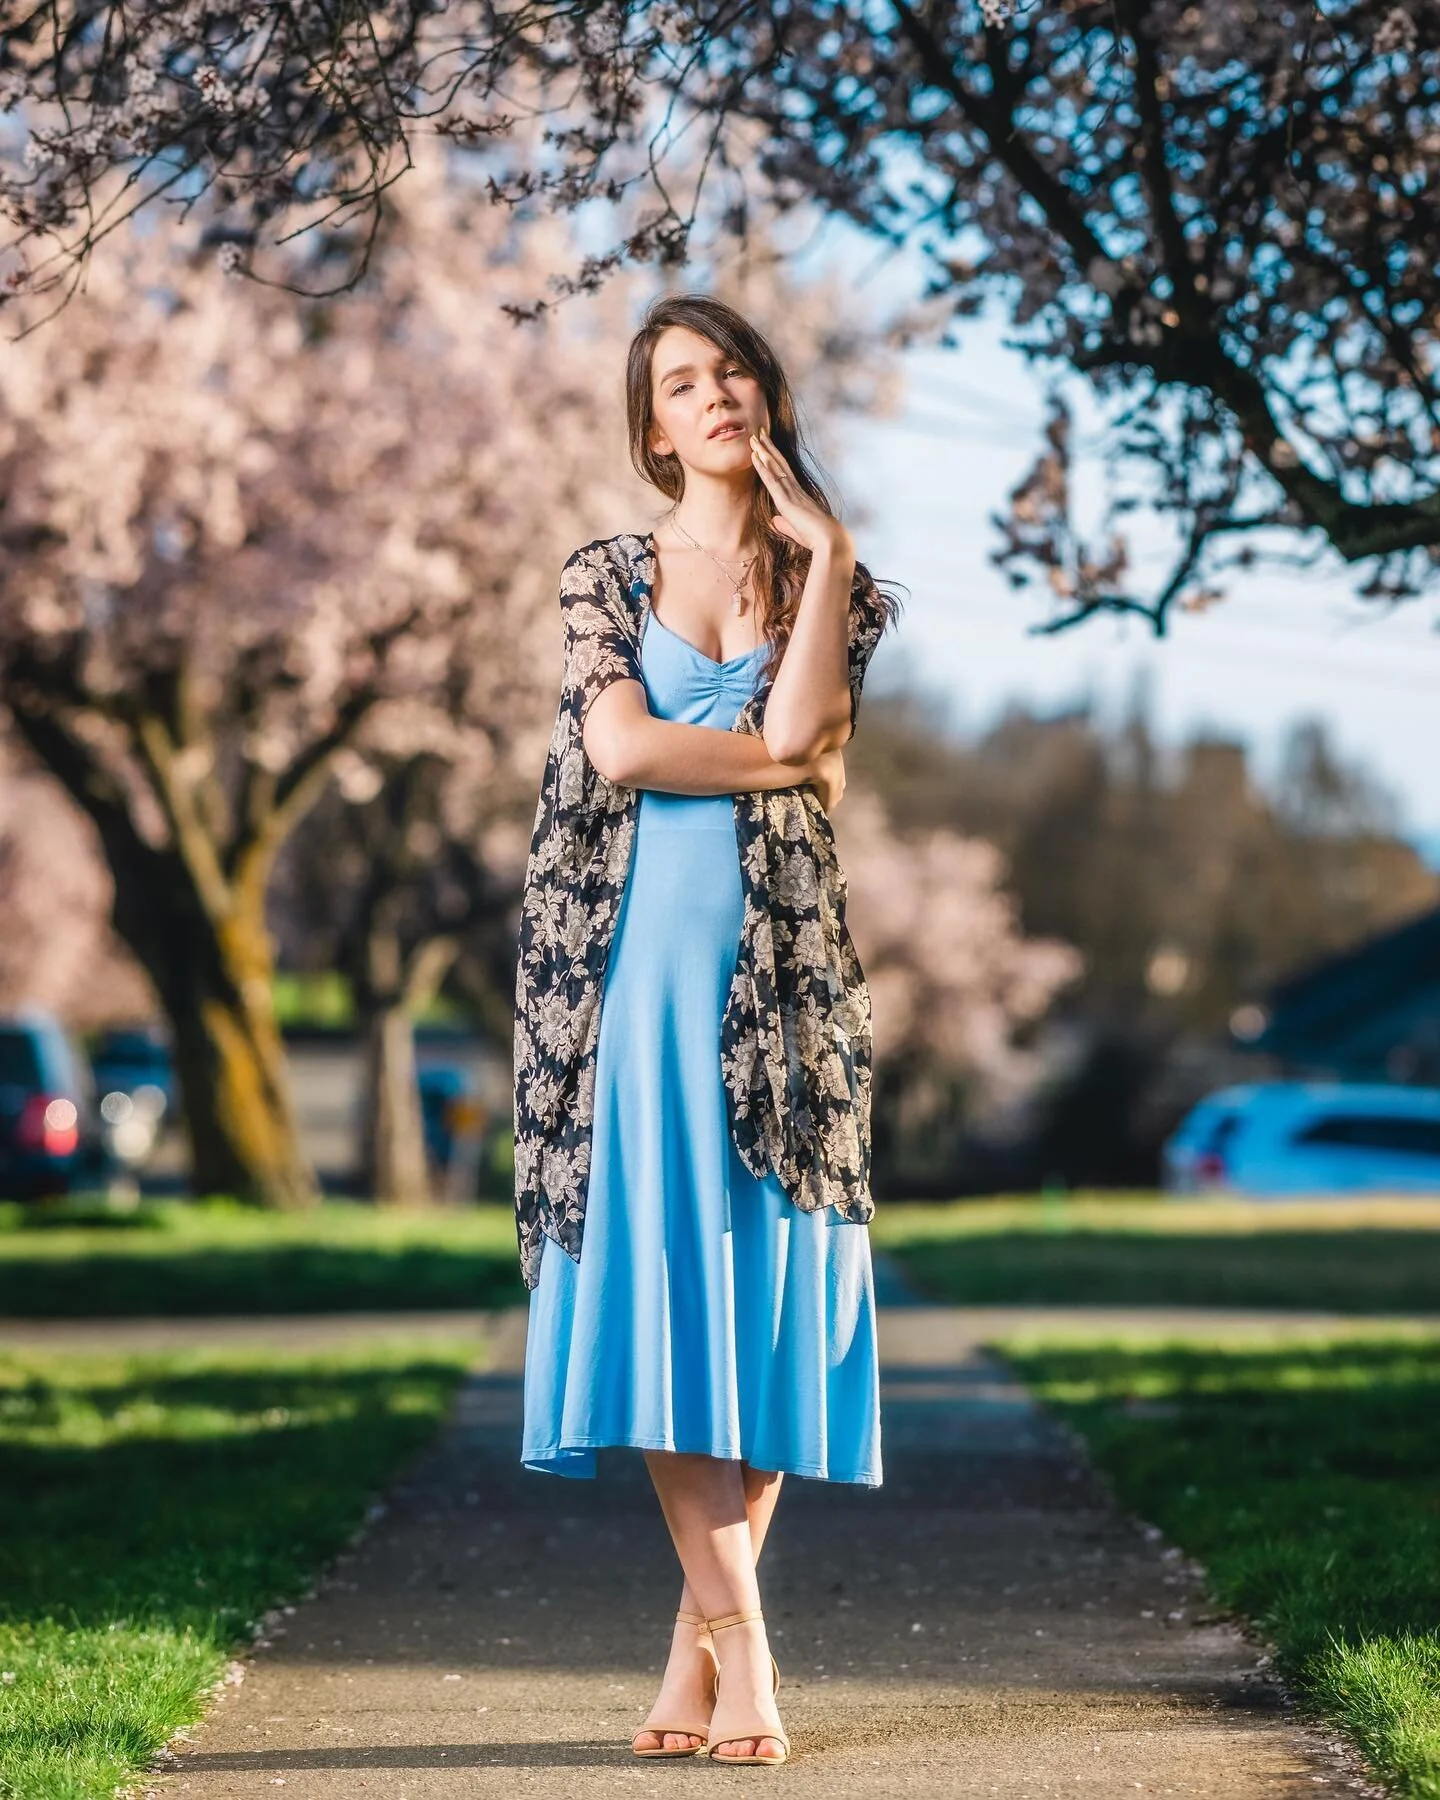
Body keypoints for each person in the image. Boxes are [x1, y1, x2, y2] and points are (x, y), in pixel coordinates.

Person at [512, 291, 900, 1766]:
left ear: (765, 396)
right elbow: (620, 749)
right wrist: (770, 760)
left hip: (790, 977)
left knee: (770, 1297)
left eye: (731, 369)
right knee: (667, 1289)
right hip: (629, 977)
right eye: (682, 381)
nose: (714, 393)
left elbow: (824, 762)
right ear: (652, 424)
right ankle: (745, 1655)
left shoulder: (833, 586)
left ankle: (693, 1657)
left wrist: (832, 556)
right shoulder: (604, 572)